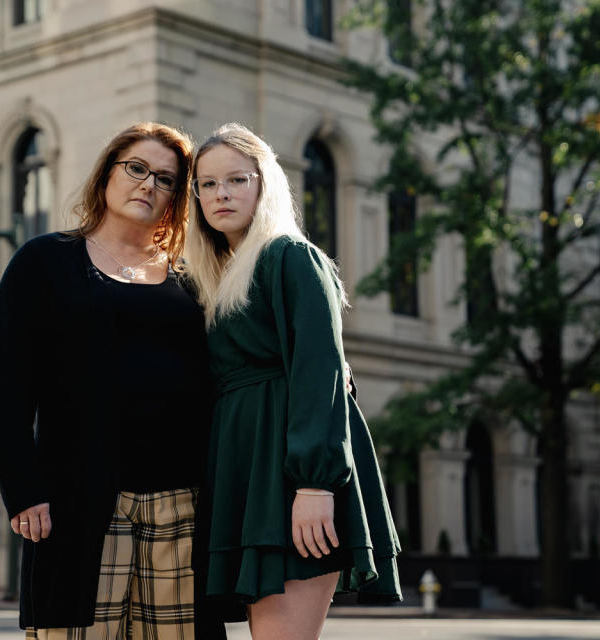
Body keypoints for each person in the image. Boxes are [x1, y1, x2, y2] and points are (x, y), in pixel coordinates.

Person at [0, 122, 224, 639]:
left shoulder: (195, 278)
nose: (148, 185)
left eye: (166, 179)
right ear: (107, 175)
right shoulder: (45, 262)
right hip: (79, 502)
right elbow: (6, 385)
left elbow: (242, 359)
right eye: (136, 168)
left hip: (184, 503)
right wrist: (23, 490)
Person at [185, 123, 403, 640]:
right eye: (208, 184)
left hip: (291, 473)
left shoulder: (291, 257)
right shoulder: (210, 276)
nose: (222, 194)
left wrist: (315, 483)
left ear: (265, 185)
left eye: (236, 180)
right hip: (240, 470)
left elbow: (319, 373)